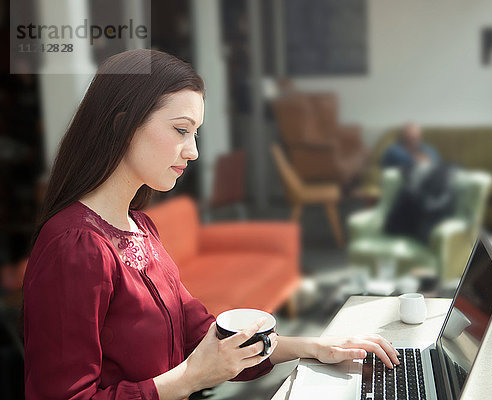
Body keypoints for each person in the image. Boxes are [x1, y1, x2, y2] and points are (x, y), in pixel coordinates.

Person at [23, 49, 400, 400]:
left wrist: (317, 346)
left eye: (195, 132)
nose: (194, 151)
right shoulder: (74, 246)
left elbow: (205, 336)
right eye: (181, 130)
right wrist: (191, 378)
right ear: (124, 124)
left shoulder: (140, 227)